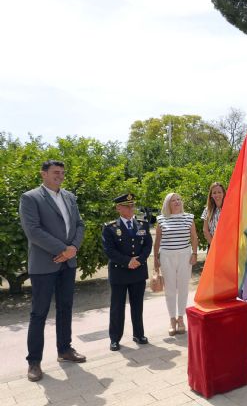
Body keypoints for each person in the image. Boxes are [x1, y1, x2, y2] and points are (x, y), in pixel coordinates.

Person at [19, 159, 86, 382]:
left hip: (67, 263)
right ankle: (34, 362)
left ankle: (64, 350)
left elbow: (79, 225)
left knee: (65, 307)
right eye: (55, 172)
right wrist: (63, 249)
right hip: (44, 264)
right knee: (39, 313)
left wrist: (73, 248)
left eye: (62, 172)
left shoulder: (69, 196)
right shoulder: (31, 197)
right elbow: (33, 231)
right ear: (43, 174)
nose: (60, 176)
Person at [102, 193, 153, 351]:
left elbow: (147, 245)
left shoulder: (142, 224)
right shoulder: (110, 227)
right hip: (119, 272)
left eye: (132, 205)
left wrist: (139, 260)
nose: (131, 208)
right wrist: (127, 261)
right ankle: (115, 339)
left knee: (137, 306)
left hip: (138, 270)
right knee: (117, 307)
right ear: (118, 208)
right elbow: (109, 250)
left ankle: (139, 334)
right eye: (127, 206)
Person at [153, 192, 198, 336]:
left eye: (179, 199)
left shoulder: (189, 217)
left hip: (185, 255)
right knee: (170, 289)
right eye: (173, 200)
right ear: (168, 204)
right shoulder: (161, 219)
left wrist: (195, 253)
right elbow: (157, 240)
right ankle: (172, 319)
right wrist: (155, 259)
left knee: (183, 288)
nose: (177, 202)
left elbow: (194, 237)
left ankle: (181, 318)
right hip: (167, 256)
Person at [201, 182, 226, 247]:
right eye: (214, 193)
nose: (217, 195)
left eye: (219, 192)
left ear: (223, 193)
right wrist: (214, 246)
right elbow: (205, 230)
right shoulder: (208, 209)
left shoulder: (229, 208)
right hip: (213, 245)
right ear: (211, 195)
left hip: (228, 246)